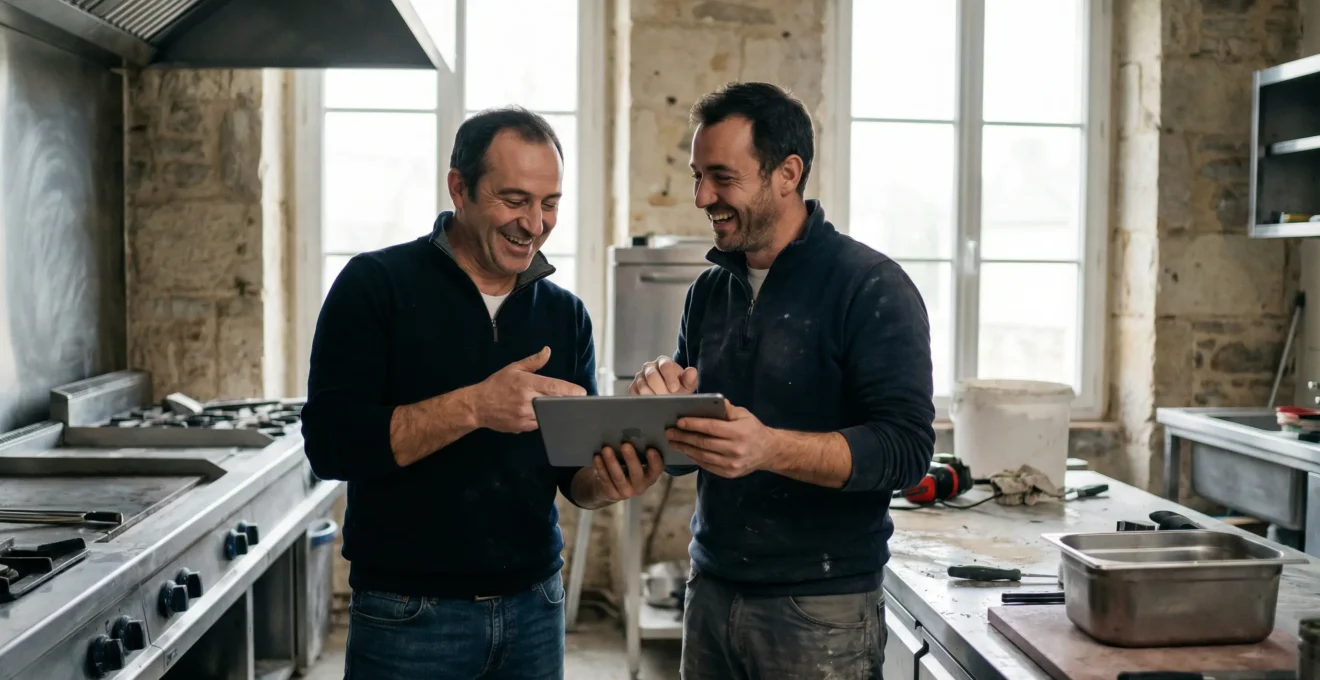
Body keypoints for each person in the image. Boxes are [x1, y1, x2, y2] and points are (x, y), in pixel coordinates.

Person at [302, 107, 664, 680]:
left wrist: (612, 481)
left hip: (536, 608)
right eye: (514, 200)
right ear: (459, 188)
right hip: (407, 616)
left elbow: (574, 478)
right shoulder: (374, 286)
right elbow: (331, 447)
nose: (535, 223)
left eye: (550, 203)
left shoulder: (565, 315)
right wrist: (474, 406)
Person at [629, 82, 937, 679]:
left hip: (821, 610)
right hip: (710, 590)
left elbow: (905, 451)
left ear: (787, 174)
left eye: (722, 177)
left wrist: (769, 448)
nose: (702, 197)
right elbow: (687, 457)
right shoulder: (708, 292)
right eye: (698, 176)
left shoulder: (870, 286)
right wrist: (659, 413)